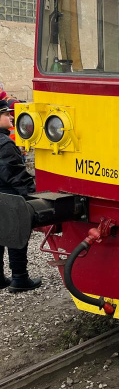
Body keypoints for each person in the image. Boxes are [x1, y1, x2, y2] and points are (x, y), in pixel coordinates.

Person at [0, 99, 41, 292]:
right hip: (9, 198)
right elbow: (15, 174)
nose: (10, 117)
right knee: (16, 235)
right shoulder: (5, 144)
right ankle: (19, 278)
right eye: (6, 114)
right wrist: (32, 195)